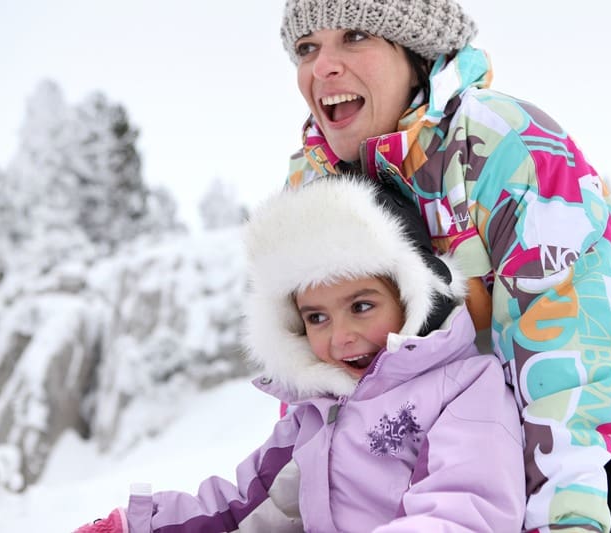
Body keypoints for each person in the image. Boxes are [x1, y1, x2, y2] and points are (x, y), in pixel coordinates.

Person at [278, 0, 611, 531]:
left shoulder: (506, 143)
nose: (323, 67)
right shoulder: (313, 186)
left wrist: (566, 511)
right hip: (486, 435)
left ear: (414, 53)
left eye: (355, 37)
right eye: (307, 48)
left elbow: (568, 333)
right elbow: (309, 364)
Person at [73, 176, 526, 532]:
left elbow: (465, 509)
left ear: (412, 297)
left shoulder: (465, 387)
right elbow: (242, 508)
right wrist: (138, 526)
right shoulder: (317, 414)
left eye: (362, 306)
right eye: (316, 318)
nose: (341, 337)